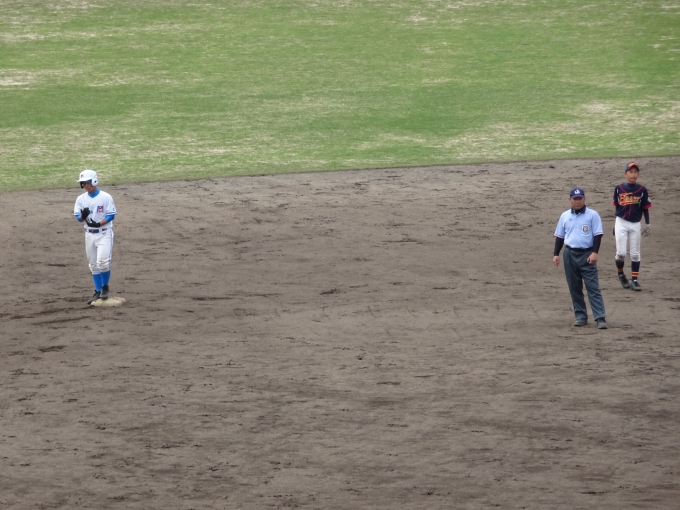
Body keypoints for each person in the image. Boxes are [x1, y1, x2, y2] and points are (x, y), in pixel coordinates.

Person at [552, 187, 607, 329]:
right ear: (570, 200)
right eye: (575, 199)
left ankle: (600, 317)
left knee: (592, 287)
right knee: (574, 287)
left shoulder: (592, 215)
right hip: (569, 254)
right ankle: (581, 316)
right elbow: (560, 236)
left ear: (584, 199)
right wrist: (556, 254)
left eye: (580, 198)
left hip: (587, 254)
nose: (578, 201)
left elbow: (597, 235)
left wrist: (595, 252)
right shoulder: (564, 216)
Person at [73, 170, 117, 304]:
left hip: (104, 233)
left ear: (94, 181)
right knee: (93, 265)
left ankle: (105, 287)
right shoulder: (81, 199)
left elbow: (111, 215)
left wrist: (98, 224)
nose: (85, 186)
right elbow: (78, 218)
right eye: (83, 183)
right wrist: (83, 216)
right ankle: (98, 291)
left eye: (87, 182)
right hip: (89, 235)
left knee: (102, 262)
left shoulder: (105, 197)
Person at [613, 162, 652, 291]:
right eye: (631, 172)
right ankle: (621, 274)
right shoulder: (618, 188)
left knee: (635, 254)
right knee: (621, 254)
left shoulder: (642, 190)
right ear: (626, 174)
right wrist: (615, 225)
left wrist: (647, 223)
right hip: (621, 222)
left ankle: (634, 280)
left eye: (635, 172)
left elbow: (645, 207)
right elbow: (617, 206)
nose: (633, 175)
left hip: (635, 223)